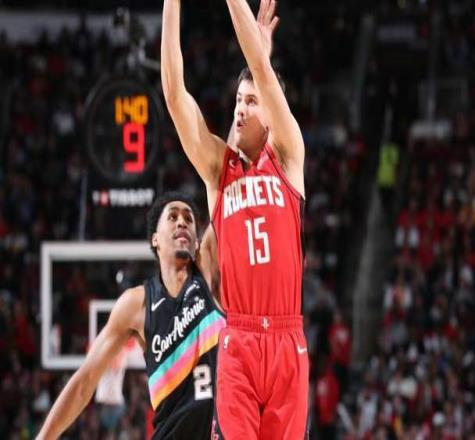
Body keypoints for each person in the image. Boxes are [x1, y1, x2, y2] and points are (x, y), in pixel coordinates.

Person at [161, 0, 308, 437]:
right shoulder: (218, 170)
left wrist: (259, 55)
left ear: (271, 113)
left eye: (250, 101)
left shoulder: (288, 157)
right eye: (237, 101)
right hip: (239, 339)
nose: (239, 109)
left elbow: (261, 70)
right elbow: (175, 96)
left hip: (287, 340)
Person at [36, 191, 225, 439]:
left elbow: (223, 191)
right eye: (173, 217)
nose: (182, 222)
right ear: (155, 239)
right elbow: (85, 381)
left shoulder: (208, 272)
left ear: (197, 242)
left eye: (189, 219)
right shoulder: (137, 304)